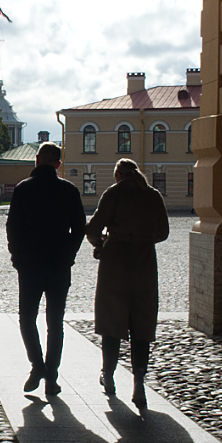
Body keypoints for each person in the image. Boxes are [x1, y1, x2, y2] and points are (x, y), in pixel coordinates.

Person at [85, 157, 170, 410]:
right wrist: (143, 239)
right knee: (142, 326)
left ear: (118, 175)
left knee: (112, 323)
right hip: (144, 268)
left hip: (115, 267)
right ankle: (139, 384)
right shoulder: (152, 195)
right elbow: (163, 232)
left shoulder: (113, 194)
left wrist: (102, 244)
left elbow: (91, 229)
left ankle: (109, 377)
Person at [5, 141, 86, 397]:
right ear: (58, 164)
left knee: (27, 318)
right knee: (55, 322)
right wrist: (69, 253)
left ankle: (37, 366)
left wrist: (17, 255)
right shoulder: (69, 190)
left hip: (29, 265)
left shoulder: (23, 189)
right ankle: (51, 376)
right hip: (59, 265)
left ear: (37, 160)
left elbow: (12, 226)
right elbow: (80, 228)